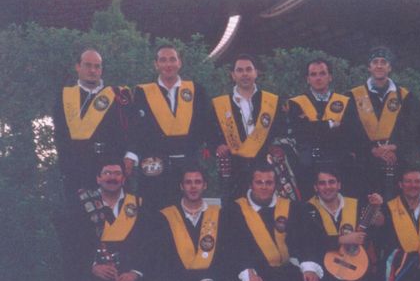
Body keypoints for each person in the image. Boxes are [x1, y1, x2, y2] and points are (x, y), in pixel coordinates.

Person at [304, 168, 384, 281]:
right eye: (322, 183)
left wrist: (376, 208)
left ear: (339, 184)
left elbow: (378, 224)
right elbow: (308, 240)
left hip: (356, 268)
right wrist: (342, 239)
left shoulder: (355, 204)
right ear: (315, 187)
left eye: (332, 182)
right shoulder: (306, 208)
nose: (327, 187)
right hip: (325, 271)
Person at [125, 44, 211, 211]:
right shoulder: (142, 92)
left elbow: (204, 125)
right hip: (154, 165)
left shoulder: (196, 90)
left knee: (185, 213)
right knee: (152, 212)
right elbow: (135, 129)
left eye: (172, 59)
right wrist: (131, 155)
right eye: (163, 60)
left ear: (180, 62)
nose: (168, 64)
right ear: (156, 64)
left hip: (187, 164)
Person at [53, 48, 131, 203]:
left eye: (97, 66)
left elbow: (130, 131)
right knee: (78, 213)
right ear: (78, 66)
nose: (93, 70)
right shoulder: (64, 96)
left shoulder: (117, 95)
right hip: (76, 169)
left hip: (110, 169)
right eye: (88, 65)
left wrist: (128, 159)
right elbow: (60, 135)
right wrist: (66, 168)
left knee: (113, 214)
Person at [211, 54, 287, 200]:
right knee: (233, 209)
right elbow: (211, 133)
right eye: (239, 70)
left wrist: (275, 147)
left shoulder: (272, 102)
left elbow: (281, 131)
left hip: (264, 168)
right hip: (233, 170)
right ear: (233, 75)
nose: (244, 74)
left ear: (256, 72)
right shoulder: (220, 104)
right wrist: (218, 145)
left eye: (248, 69)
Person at [345, 46, 417, 199]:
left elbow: (412, 130)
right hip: (364, 164)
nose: (379, 66)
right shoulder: (353, 96)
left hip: (395, 162)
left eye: (383, 62)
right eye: (375, 62)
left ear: (389, 67)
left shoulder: (404, 96)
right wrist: (372, 150)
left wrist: (394, 147)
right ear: (369, 67)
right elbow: (350, 132)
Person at [288, 59, 352, 199]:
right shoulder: (295, 103)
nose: (318, 78)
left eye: (322, 73)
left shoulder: (346, 101)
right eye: (313, 74)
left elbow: (348, 132)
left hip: (339, 164)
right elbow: (301, 133)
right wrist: (330, 125)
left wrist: (314, 127)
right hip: (309, 166)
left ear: (330, 77)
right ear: (308, 79)